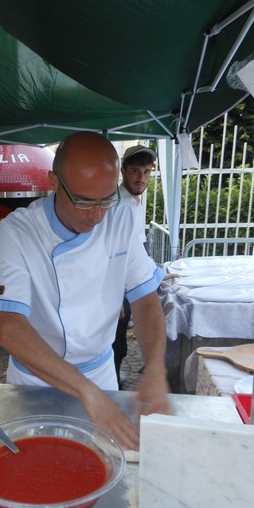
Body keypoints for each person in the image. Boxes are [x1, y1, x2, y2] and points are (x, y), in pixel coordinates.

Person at [0, 132, 170, 449]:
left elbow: (146, 300)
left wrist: (156, 369)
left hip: (101, 376)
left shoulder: (122, 219)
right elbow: (10, 329)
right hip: (34, 382)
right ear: (53, 182)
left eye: (106, 199)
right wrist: (86, 392)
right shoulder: (18, 231)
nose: (96, 216)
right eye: (84, 201)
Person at [112, 145, 157, 388]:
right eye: (136, 171)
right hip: (119, 286)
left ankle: (115, 377)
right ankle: (112, 384)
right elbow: (114, 254)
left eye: (147, 172)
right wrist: (116, 295)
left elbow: (138, 248)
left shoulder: (132, 202)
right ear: (124, 171)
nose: (141, 178)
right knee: (116, 339)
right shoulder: (120, 206)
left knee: (119, 338)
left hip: (129, 283)